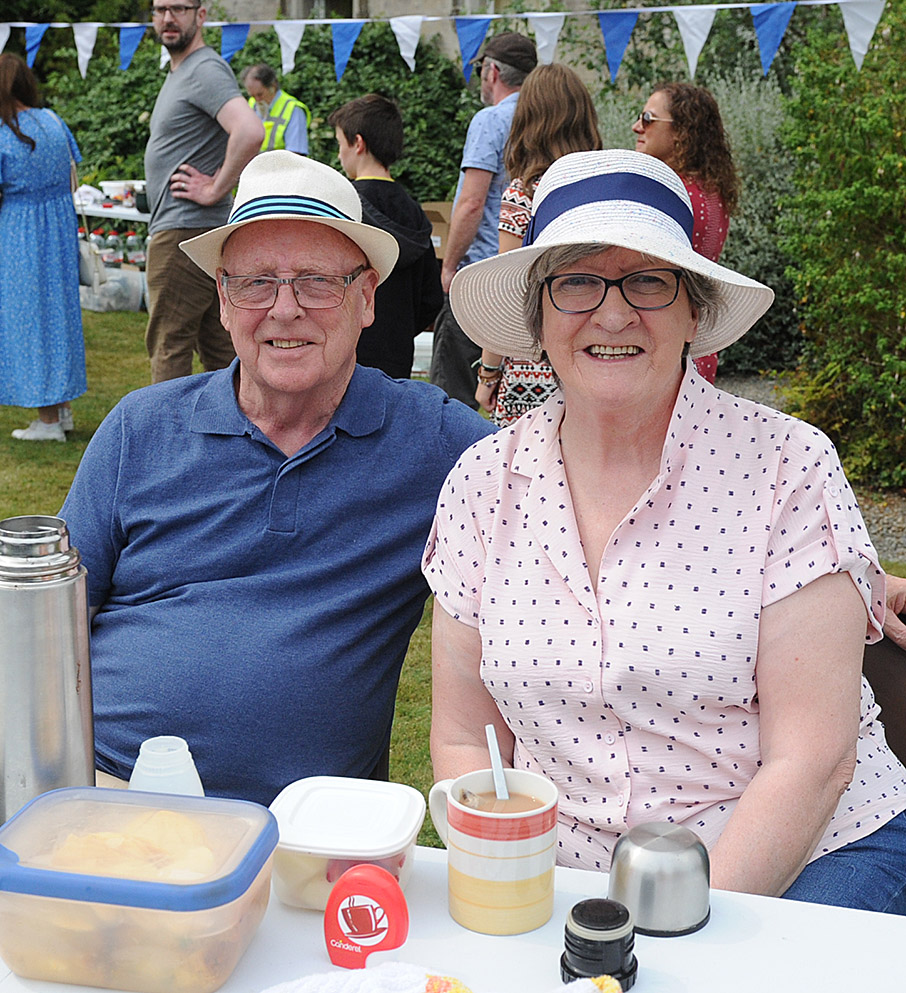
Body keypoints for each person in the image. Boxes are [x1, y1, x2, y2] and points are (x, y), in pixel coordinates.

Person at [423, 149, 906, 914]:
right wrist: (509, 876)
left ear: (694, 312)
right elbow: (462, 739)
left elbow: (812, 762)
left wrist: (664, 931)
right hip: (570, 878)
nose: (613, 313)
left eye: (649, 280)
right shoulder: (482, 485)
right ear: (538, 317)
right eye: (576, 280)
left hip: (810, 851)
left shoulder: (788, 466)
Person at [60, 151, 493, 806]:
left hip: (307, 827)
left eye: (316, 282)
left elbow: (560, 476)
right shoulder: (138, 429)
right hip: (107, 795)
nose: (284, 309)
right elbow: (47, 622)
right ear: (224, 301)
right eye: (256, 283)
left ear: (366, 299)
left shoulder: (436, 442)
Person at [473, 63, 601, 425]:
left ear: (528, 120)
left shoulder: (524, 195)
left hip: (533, 366)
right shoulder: (603, 191)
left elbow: (508, 289)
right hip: (594, 352)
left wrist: (488, 372)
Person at [144, 2, 263, 383]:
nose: (167, 18)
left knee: (169, 344)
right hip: (201, 230)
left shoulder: (203, 69)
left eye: (178, 8)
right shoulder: (184, 71)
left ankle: (164, 424)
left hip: (184, 230)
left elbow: (250, 131)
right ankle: (239, 422)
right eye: (160, 9)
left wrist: (215, 188)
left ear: (201, 15)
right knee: (223, 352)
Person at [429, 31, 536, 408]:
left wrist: (450, 265)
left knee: (453, 399)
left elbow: (472, 203)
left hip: (482, 274)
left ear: (492, 72)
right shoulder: (546, 118)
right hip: (531, 272)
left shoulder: (491, 120)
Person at [0, 53, 85, 442]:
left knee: (30, 321)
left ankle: (48, 420)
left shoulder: (5, 131)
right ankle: (62, 411)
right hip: (58, 229)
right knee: (58, 317)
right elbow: (72, 175)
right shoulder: (53, 120)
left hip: (21, 232)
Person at [329, 93, 443, 379]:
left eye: (340, 144)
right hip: (397, 356)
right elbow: (431, 298)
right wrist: (399, 329)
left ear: (358, 143)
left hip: (344, 355)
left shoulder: (342, 207)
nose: (339, 154)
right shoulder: (414, 212)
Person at [633, 82, 739, 384]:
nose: (637, 126)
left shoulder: (674, 195)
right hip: (697, 341)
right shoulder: (710, 190)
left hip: (669, 349)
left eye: (648, 119)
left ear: (682, 132)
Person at [240, 63, 311, 156]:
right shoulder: (252, 104)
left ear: (272, 86)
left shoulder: (293, 109)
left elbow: (296, 154)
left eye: (260, 94)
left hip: (282, 164)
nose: (257, 100)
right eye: (252, 96)